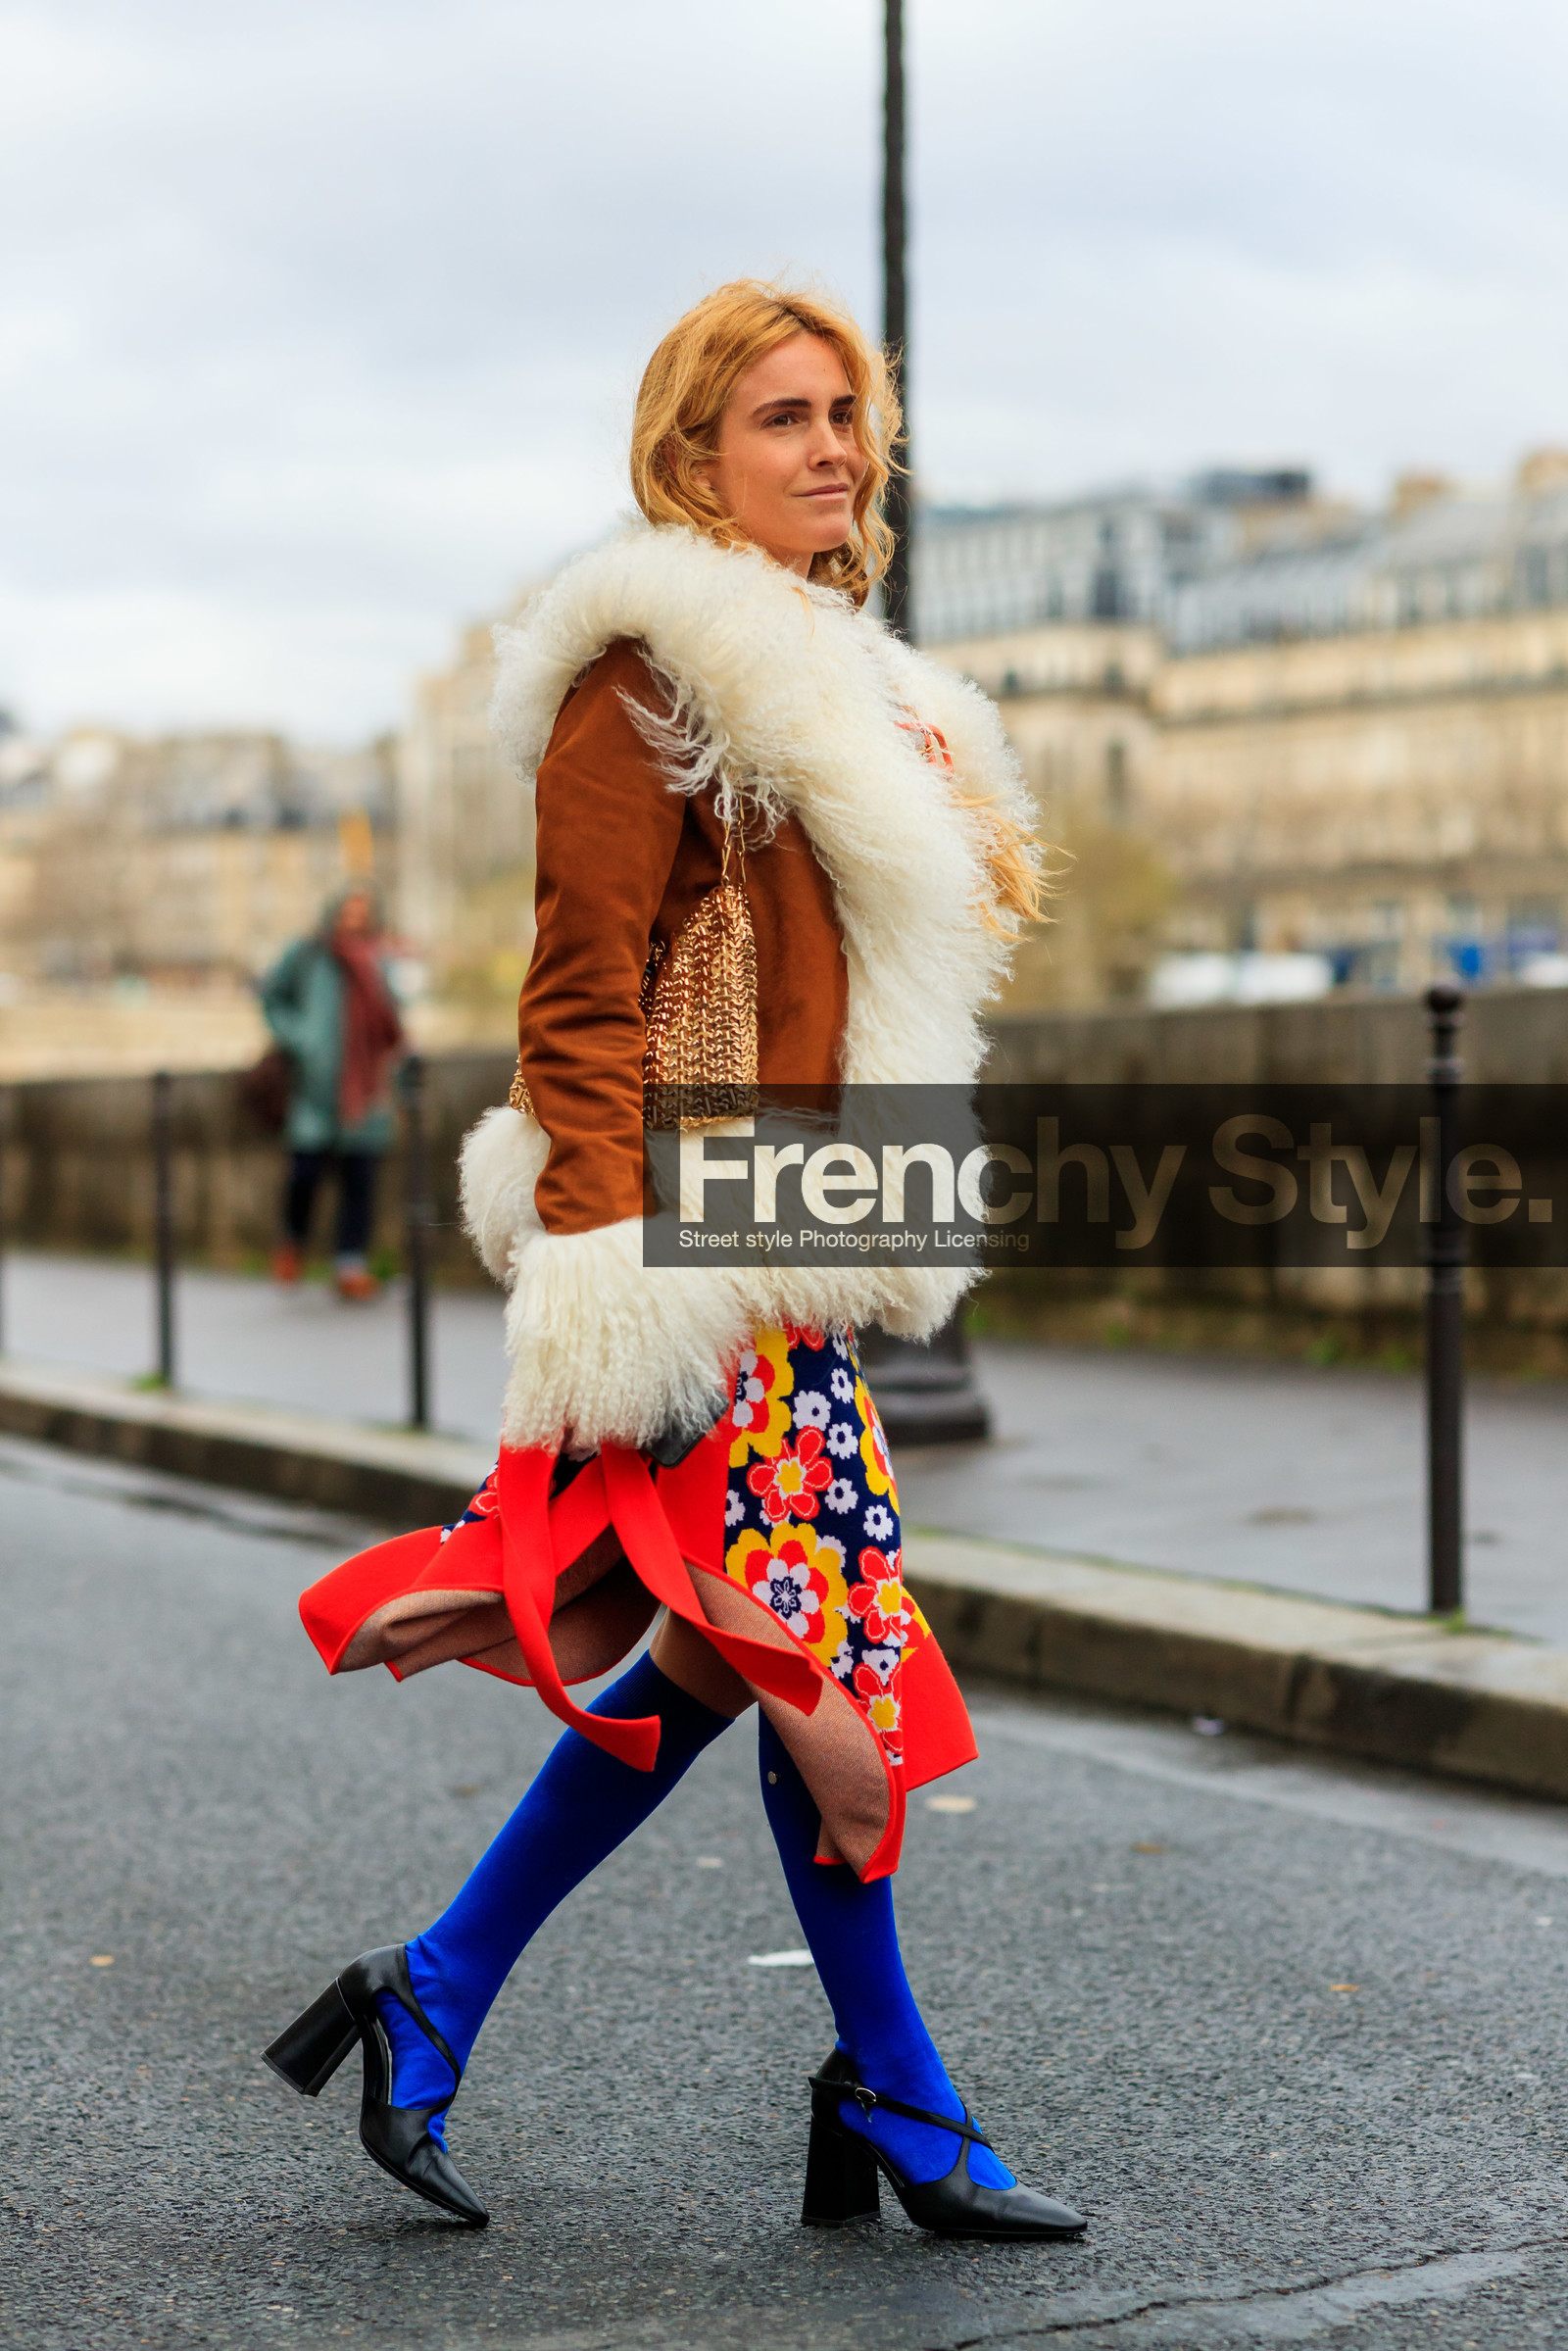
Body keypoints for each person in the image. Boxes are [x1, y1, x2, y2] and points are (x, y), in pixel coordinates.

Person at [264, 281, 1085, 2243]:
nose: (832, 446)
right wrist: (609, 1281)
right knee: (822, 1669)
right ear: (690, 455)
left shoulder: (857, 686)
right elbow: (578, 1000)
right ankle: (893, 2087)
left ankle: (437, 1989)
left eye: (847, 412)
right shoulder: (646, 675)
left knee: (735, 1650)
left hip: (799, 1229)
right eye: (782, 415)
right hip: (695, 1246)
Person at [261, 887, 405, 1300]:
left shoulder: (379, 958)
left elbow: (392, 1017)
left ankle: (350, 1266)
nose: (354, 921)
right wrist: (299, 1038)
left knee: (361, 1178)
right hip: (315, 1086)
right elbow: (271, 997)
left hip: (367, 1087)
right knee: (305, 1173)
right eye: (347, 913)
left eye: (363, 914)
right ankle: (292, 1243)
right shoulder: (308, 954)